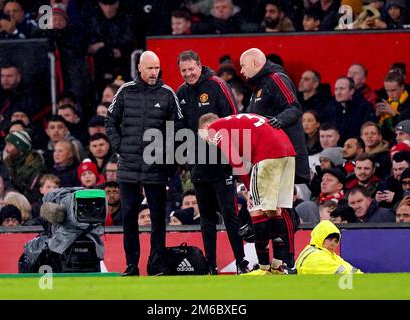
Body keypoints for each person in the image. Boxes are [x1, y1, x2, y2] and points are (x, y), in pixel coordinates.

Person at [105, 51, 183, 276]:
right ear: (139, 68)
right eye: (150, 68)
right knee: (129, 217)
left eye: (157, 68)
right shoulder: (125, 91)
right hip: (128, 165)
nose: (154, 72)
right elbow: (110, 120)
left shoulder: (168, 94)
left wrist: (166, 156)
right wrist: (118, 145)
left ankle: (155, 264)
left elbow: (177, 128)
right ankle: (132, 265)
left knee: (158, 218)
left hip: (155, 166)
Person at [176, 50, 248, 275]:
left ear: (200, 65)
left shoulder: (217, 85)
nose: (188, 74)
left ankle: (241, 262)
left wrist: (233, 158)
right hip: (198, 164)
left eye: (191, 69)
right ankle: (211, 265)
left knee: (229, 214)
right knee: (206, 217)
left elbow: (234, 119)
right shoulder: (182, 92)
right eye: (184, 71)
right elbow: (180, 126)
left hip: (221, 162)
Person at [199, 112, 297, 274]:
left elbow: (234, 159)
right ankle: (279, 264)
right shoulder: (238, 120)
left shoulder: (214, 128)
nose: (208, 141)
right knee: (275, 210)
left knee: (257, 210)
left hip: (268, 153)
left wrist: (249, 188)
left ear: (204, 127)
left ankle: (264, 267)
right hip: (287, 151)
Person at [239, 47, 310, 185]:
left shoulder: (277, 79)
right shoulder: (257, 88)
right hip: (267, 159)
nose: (241, 71)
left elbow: (294, 108)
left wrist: (278, 121)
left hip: (285, 158)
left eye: (243, 66)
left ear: (255, 63)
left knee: (281, 205)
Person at [295, 220, 362, 274]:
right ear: (320, 237)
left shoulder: (329, 255)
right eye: (330, 239)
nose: (333, 244)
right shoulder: (315, 256)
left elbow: (350, 269)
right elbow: (342, 276)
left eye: (336, 241)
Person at [3, 130, 46, 204]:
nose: (6, 149)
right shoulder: (8, 162)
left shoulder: (36, 166)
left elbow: (31, 193)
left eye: (9, 145)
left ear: (20, 147)